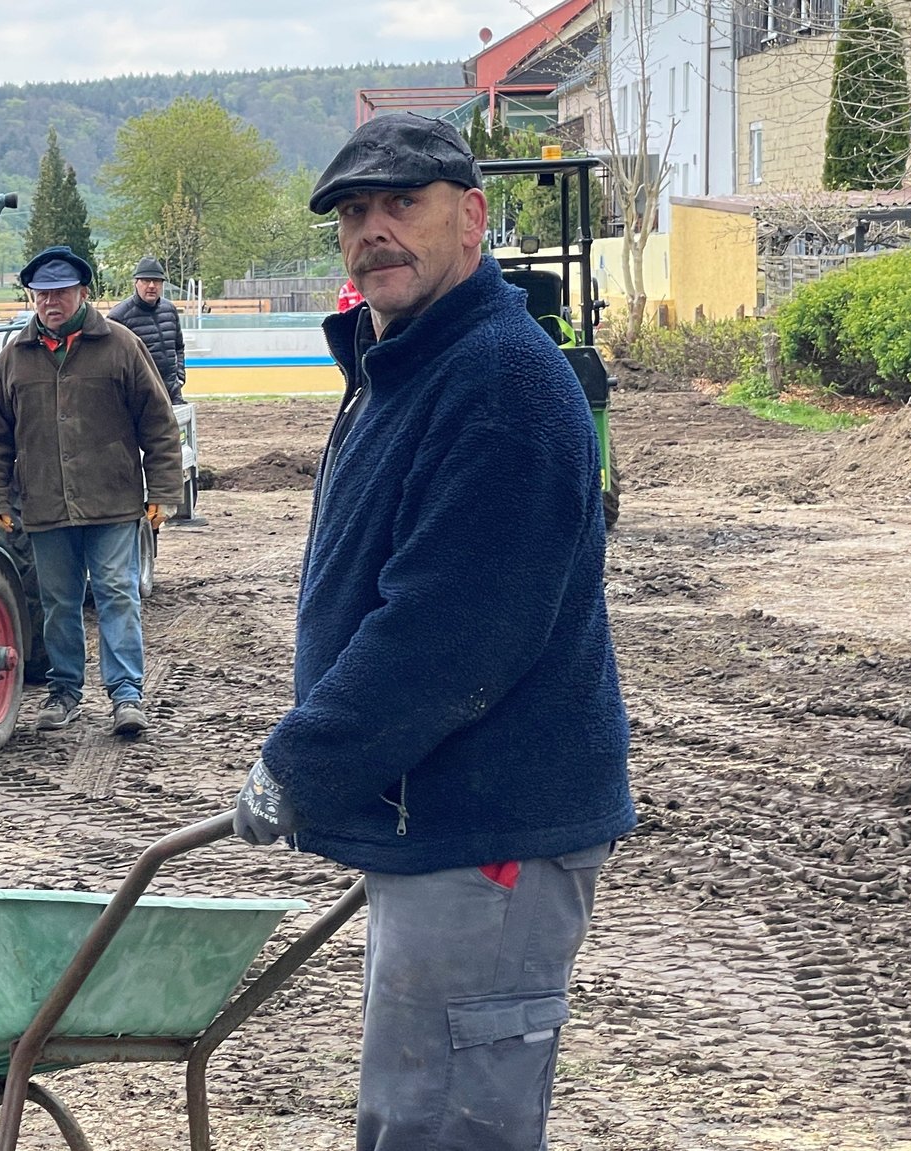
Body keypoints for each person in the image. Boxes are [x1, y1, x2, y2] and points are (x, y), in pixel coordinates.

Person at [231, 112, 635, 1151]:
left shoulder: (498, 381)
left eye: (398, 204)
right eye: (352, 214)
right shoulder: (404, 367)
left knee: (444, 1123)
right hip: (439, 816)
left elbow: (449, 632)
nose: (373, 230)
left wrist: (302, 762)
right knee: (418, 1104)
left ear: (471, 215)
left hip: (487, 825)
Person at [0, 245, 183, 738]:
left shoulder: (121, 346)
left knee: (116, 594)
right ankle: (64, 691)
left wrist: (163, 489)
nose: (51, 302)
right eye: (42, 294)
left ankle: (126, 696)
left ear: (82, 293)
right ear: (31, 297)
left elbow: (158, 423)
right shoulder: (14, 360)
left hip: (112, 500)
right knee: (58, 603)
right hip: (45, 505)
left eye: (61, 292)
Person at [107, 255, 186, 403]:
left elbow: (179, 347)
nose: (151, 285)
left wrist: (179, 378)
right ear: (136, 283)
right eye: (145, 280)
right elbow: (111, 361)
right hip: (140, 397)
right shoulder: (118, 316)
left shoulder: (170, 310)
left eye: (156, 281)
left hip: (172, 392)